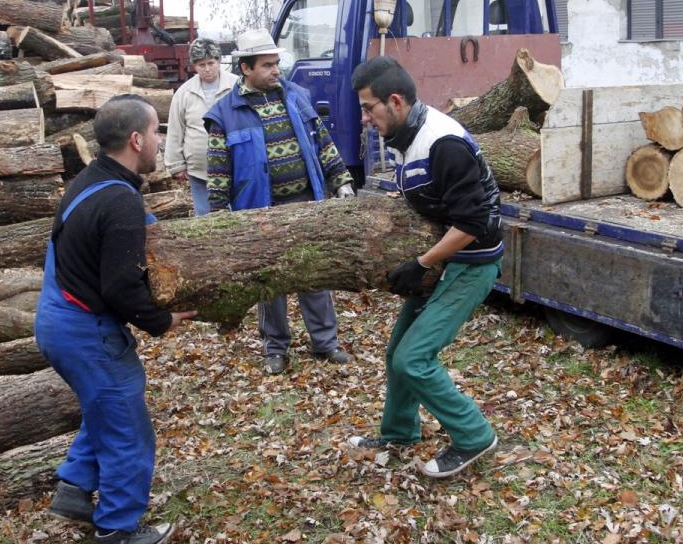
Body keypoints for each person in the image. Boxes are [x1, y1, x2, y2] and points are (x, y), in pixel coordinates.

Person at [36, 94, 197, 544]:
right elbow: (120, 288)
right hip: (85, 329)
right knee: (128, 429)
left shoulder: (87, 181)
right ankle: (118, 530)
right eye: (155, 131)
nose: (159, 140)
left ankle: (74, 485)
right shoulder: (118, 201)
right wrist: (160, 321)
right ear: (135, 139)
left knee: (105, 407)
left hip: (57, 320)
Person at [347, 56, 502, 479]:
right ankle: (399, 431)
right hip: (444, 261)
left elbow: (472, 223)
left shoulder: (442, 142)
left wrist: (421, 263)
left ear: (395, 101)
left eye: (368, 108)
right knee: (398, 351)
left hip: (471, 263)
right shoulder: (408, 134)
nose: (364, 119)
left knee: (414, 358)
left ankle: (473, 435)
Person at [203, 30, 355, 376]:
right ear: (245, 68)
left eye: (277, 63)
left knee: (314, 276)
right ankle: (275, 348)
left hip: (305, 203)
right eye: (267, 65)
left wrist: (341, 181)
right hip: (260, 212)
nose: (276, 70)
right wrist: (218, 215)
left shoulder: (297, 96)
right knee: (269, 284)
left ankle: (325, 343)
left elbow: (323, 143)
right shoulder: (225, 114)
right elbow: (217, 169)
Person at [165, 38, 238, 216]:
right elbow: (175, 129)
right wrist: (176, 165)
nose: (207, 69)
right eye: (201, 64)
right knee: (205, 219)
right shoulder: (184, 93)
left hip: (236, 166)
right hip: (200, 171)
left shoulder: (236, 86)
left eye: (211, 63)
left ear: (219, 60)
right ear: (194, 66)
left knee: (239, 214)